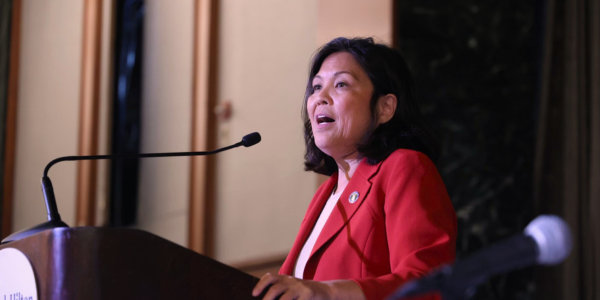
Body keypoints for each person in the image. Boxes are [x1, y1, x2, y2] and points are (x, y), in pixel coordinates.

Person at [252, 37, 457, 300]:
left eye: (341, 84)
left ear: (385, 108)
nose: (319, 98)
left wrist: (330, 292)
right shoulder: (325, 194)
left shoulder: (404, 167)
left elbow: (427, 284)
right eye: (316, 87)